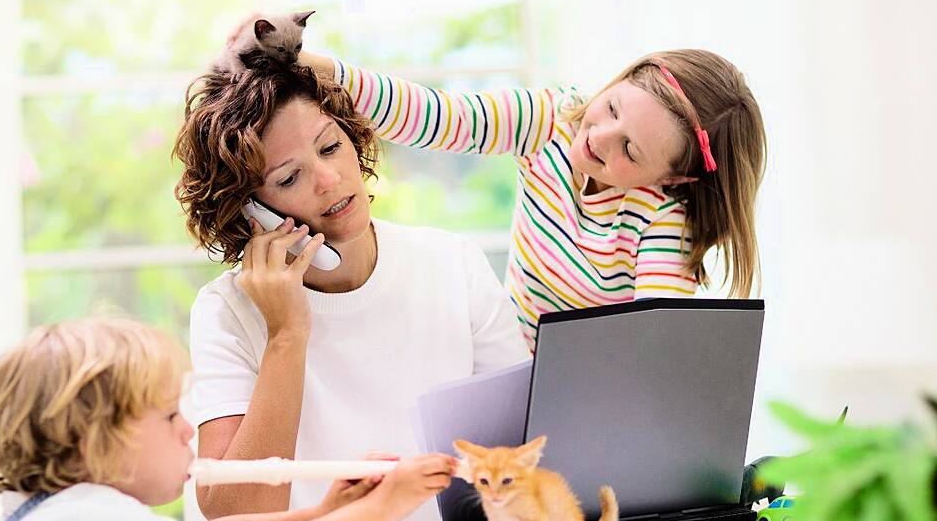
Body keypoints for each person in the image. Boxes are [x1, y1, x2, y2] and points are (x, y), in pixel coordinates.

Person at [172, 54, 529, 521]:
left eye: (328, 147)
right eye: (289, 177)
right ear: (249, 213)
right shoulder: (226, 312)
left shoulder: (451, 263)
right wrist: (286, 334)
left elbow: (527, 454)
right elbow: (235, 516)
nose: (329, 179)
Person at [298, 48, 767, 350]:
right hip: (504, 361)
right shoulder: (551, 120)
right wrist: (324, 69)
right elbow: (440, 118)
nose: (599, 137)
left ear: (675, 179)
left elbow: (653, 344)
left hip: (584, 395)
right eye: (612, 108)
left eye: (630, 149)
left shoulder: (664, 218)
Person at [0, 317, 456, 521]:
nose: (186, 431)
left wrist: (326, 513)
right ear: (97, 442)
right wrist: (382, 509)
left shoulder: (67, 517)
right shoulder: (83, 518)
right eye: (166, 416)